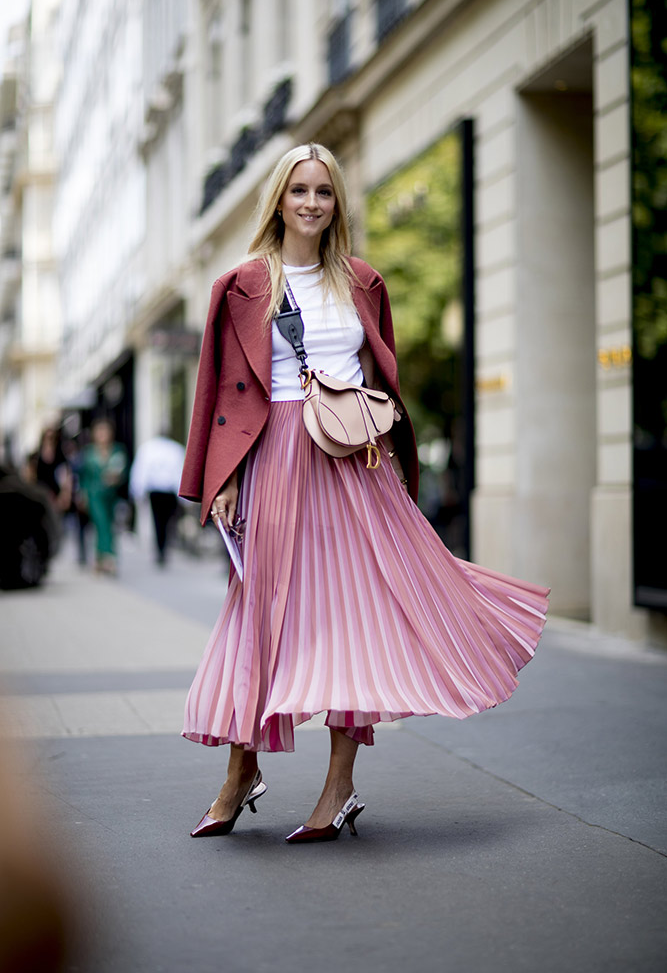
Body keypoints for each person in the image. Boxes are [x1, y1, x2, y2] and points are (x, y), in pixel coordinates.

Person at [179, 143, 550, 843]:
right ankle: (239, 771)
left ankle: (338, 785)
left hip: (354, 463)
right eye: (299, 191)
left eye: (324, 191)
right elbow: (219, 391)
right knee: (263, 613)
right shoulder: (240, 285)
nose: (313, 203)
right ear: (279, 201)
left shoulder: (362, 281)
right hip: (277, 458)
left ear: (337, 202)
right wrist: (222, 478)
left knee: (355, 614)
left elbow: (381, 379)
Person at [78, 418, 128, 575]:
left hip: (110, 495)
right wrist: (83, 495)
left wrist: (116, 478)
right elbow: (84, 477)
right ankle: (109, 558)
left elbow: (123, 472)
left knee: (109, 525)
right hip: (94, 495)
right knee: (101, 524)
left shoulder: (117, 450)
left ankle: (100, 558)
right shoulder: (89, 453)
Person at [129, 432, 186, 565]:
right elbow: (179, 471)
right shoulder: (175, 449)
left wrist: (138, 490)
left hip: (158, 491)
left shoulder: (149, 448)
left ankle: (161, 548)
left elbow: (141, 470)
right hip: (167, 491)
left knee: (158, 521)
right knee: (166, 521)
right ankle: (163, 548)